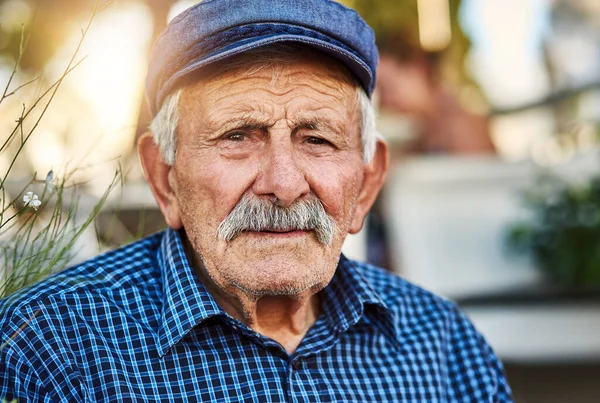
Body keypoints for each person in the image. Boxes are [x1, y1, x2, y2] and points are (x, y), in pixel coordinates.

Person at [0, 0, 513, 401]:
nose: (285, 185)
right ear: (165, 179)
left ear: (367, 183)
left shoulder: (445, 348)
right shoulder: (50, 348)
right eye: (238, 136)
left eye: (318, 139)